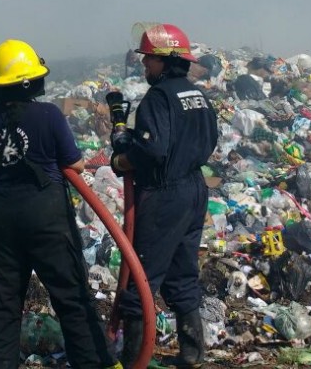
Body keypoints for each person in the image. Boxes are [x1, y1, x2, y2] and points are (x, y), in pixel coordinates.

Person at [0, 39, 118, 369]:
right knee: (72, 299)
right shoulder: (49, 115)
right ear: (29, 81)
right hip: (47, 220)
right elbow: (75, 165)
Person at [110, 23, 219, 368]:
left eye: (150, 59)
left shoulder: (158, 98)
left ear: (166, 61)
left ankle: (133, 360)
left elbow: (153, 150)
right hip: (195, 190)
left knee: (141, 277)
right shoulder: (197, 96)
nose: (145, 65)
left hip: (165, 195)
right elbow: (210, 140)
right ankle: (192, 353)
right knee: (183, 272)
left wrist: (122, 160)